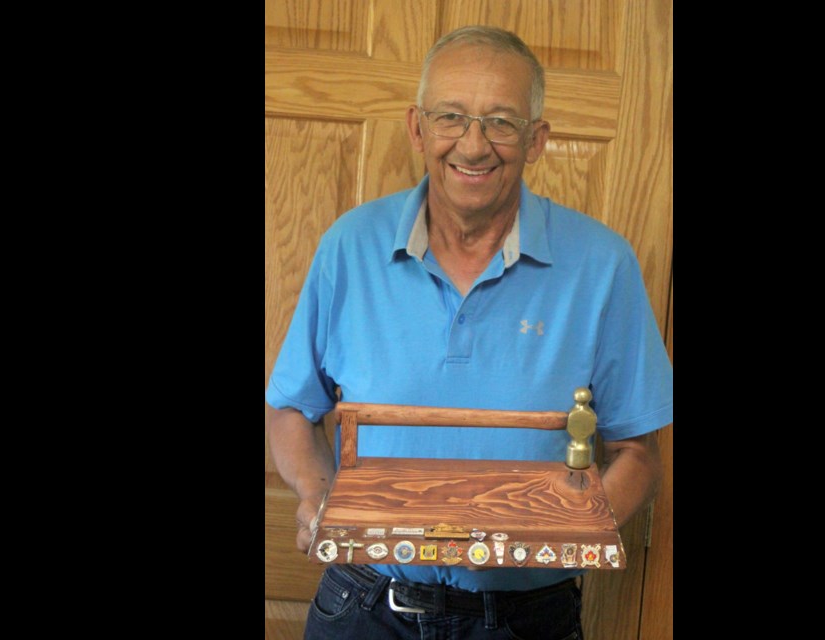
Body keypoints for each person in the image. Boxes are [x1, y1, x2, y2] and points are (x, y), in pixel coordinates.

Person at [266, 24, 673, 640]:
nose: (474, 145)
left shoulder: (603, 265)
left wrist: (568, 535)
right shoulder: (348, 246)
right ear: (417, 128)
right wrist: (318, 496)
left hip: (526, 618)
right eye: (451, 116)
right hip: (363, 603)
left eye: (501, 122)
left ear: (537, 140)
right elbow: (292, 408)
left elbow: (640, 453)